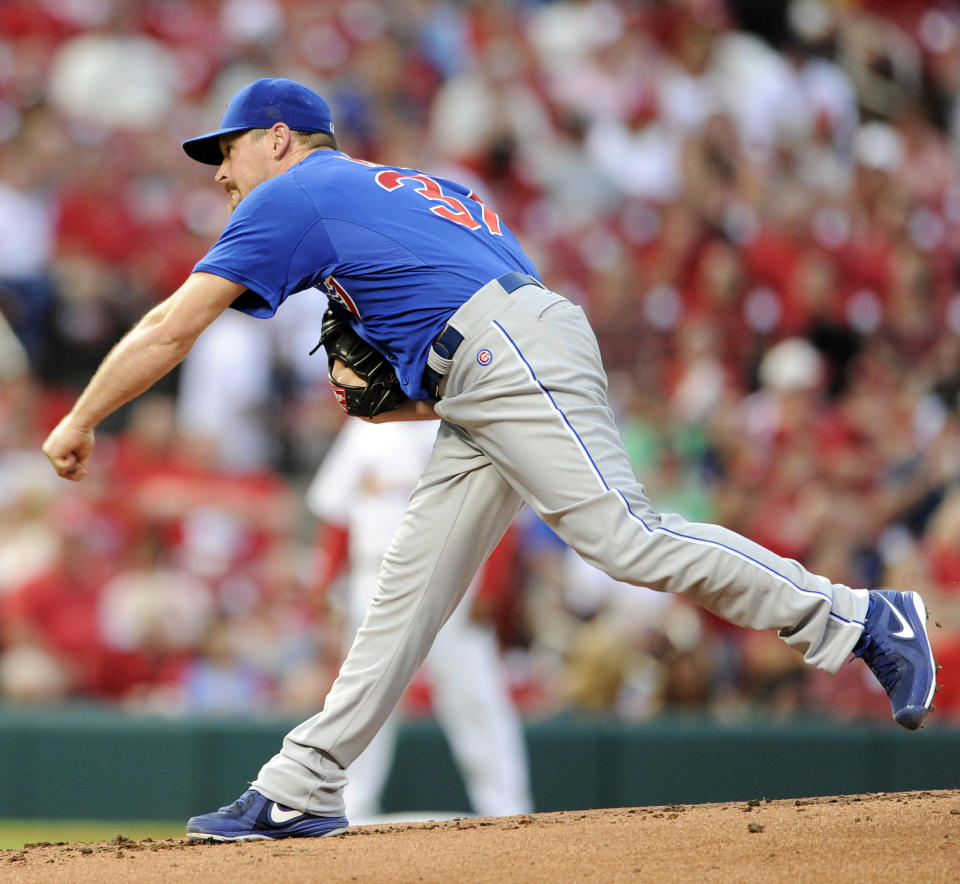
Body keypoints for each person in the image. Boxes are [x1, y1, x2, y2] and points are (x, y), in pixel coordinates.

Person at [42, 78, 938, 841]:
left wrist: (81, 417)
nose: (222, 175)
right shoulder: (413, 190)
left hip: (504, 352)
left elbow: (172, 324)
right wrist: (420, 386)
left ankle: (861, 617)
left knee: (623, 537)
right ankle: (301, 786)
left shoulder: (294, 192)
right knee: (407, 589)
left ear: (278, 139)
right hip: (493, 360)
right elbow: (467, 325)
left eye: (227, 153)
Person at [306, 417, 532, 821]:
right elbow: (338, 513)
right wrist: (325, 578)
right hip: (371, 577)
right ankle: (352, 807)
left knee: (474, 694)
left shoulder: (461, 421)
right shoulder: (363, 429)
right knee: (362, 698)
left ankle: (507, 808)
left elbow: (502, 509)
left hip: (449, 574)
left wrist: (492, 584)